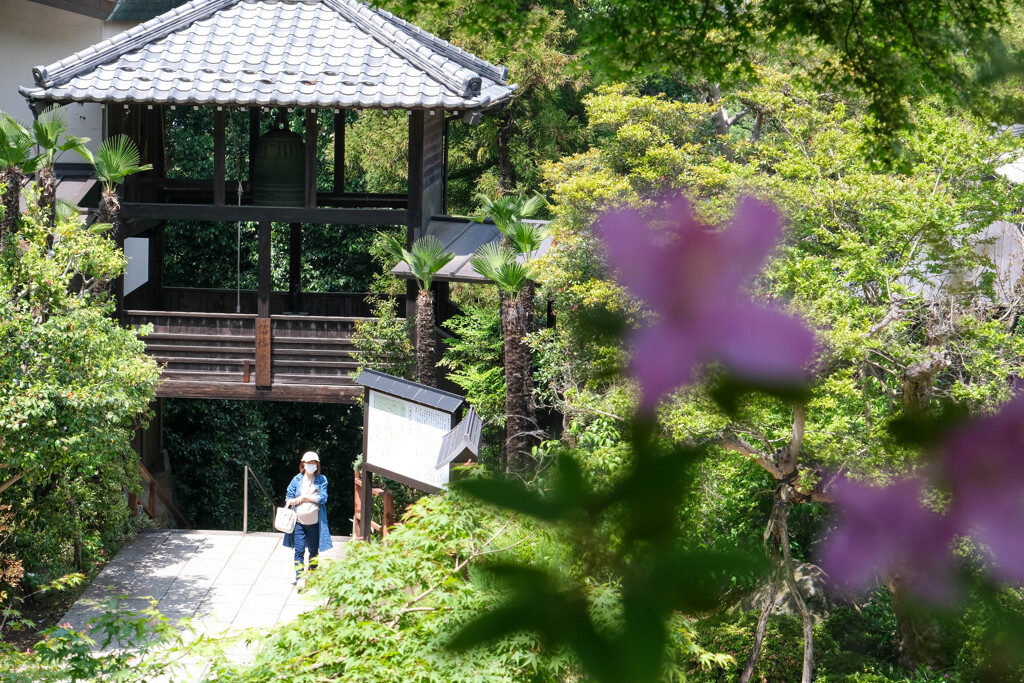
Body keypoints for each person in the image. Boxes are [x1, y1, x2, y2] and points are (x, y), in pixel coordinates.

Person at [282, 450, 333, 583]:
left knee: (313, 551)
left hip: (315, 523)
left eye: (313, 463)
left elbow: (322, 498)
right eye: (308, 463)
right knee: (298, 551)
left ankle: (311, 577)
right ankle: (299, 578)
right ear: (303, 464)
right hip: (298, 521)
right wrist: (298, 500)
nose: (311, 465)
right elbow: (289, 497)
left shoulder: (322, 479)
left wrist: (304, 497)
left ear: (317, 465)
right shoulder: (297, 480)